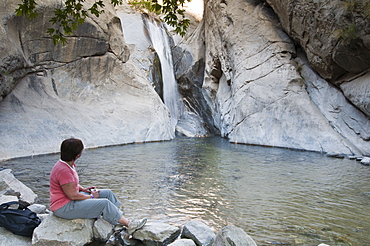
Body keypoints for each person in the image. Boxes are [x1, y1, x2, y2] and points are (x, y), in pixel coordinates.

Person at [49, 138, 146, 235]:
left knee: (107, 193)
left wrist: (84, 189)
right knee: (104, 203)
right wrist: (91, 197)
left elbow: (72, 184)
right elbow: (73, 196)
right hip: (64, 207)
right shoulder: (63, 170)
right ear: (77, 154)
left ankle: (118, 218)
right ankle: (129, 225)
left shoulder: (69, 165)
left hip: (69, 200)